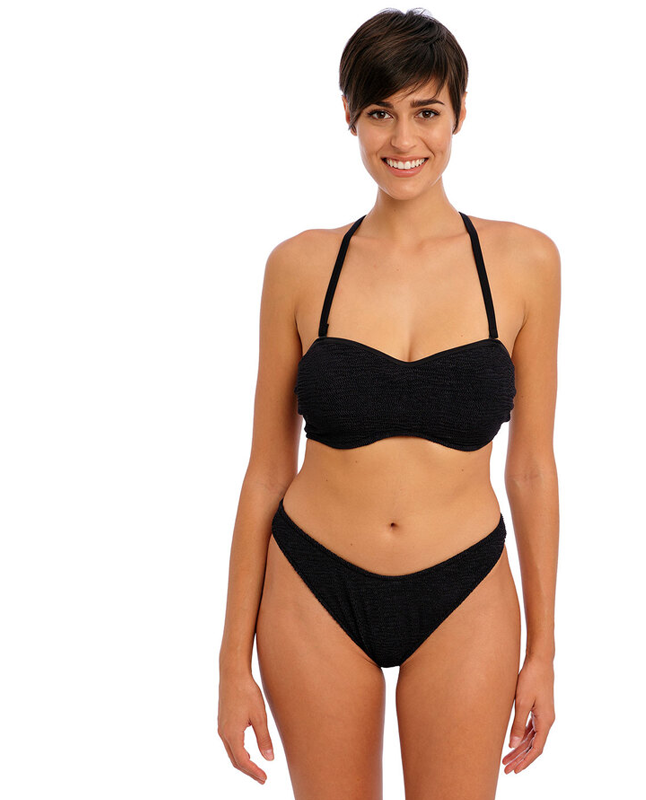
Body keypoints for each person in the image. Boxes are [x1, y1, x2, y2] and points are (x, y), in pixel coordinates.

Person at [217, 8, 561, 798]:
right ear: (349, 115)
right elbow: (265, 471)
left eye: (426, 111)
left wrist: (543, 650)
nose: (403, 139)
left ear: (461, 113)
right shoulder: (300, 266)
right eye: (380, 112)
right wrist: (232, 663)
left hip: (466, 588)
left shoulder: (524, 263)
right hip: (312, 585)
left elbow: (533, 469)